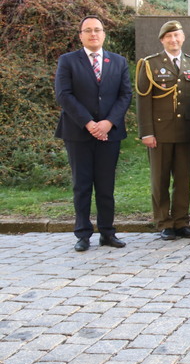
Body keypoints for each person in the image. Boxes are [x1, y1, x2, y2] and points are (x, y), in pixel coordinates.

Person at [55, 16, 133, 252]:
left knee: (106, 185)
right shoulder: (68, 61)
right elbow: (64, 95)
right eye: (87, 30)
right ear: (80, 35)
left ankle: (108, 232)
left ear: (104, 34)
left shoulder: (118, 62)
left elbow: (125, 95)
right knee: (82, 185)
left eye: (97, 30)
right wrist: (89, 123)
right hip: (78, 133)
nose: (93, 34)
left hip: (110, 134)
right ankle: (83, 234)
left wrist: (109, 122)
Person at [136, 20, 190, 241]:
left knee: (183, 180)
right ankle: (164, 222)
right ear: (162, 40)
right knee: (160, 179)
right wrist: (146, 132)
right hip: (160, 133)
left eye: (177, 36)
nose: (174, 40)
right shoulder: (149, 64)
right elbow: (143, 101)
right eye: (169, 37)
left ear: (183, 38)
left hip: (185, 133)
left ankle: (181, 221)